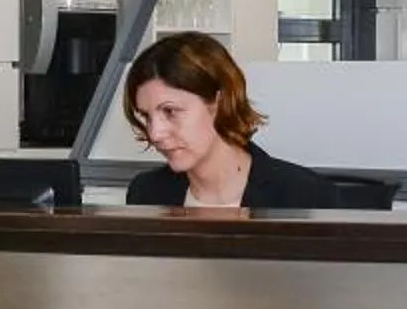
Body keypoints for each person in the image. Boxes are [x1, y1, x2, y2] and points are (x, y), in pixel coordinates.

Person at [121, 32, 340, 209]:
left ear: (219, 101)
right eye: (147, 116)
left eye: (170, 111)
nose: (155, 133)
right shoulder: (146, 193)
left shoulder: (304, 197)